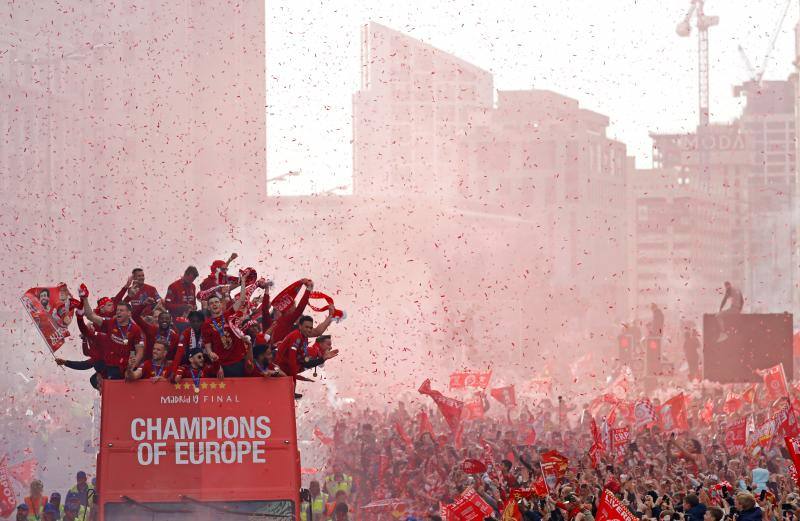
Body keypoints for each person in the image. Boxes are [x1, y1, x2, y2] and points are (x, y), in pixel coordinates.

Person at [82, 295, 144, 379]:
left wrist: (131, 368)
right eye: (117, 310)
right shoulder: (111, 322)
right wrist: (84, 298)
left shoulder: (136, 329)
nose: (118, 312)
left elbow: (140, 352)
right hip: (113, 367)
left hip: (128, 367)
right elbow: (90, 316)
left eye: (121, 310)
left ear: (129, 313)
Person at [201, 278, 249, 377]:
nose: (214, 304)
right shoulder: (206, 325)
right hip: (222, 364)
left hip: (238, 361)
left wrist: (243, 282)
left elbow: (242, 299)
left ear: (221, 304)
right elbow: (208, 345)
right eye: (211, 303)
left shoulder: (228, 315)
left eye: (216, 302)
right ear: (209, 307)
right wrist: (211, 355)